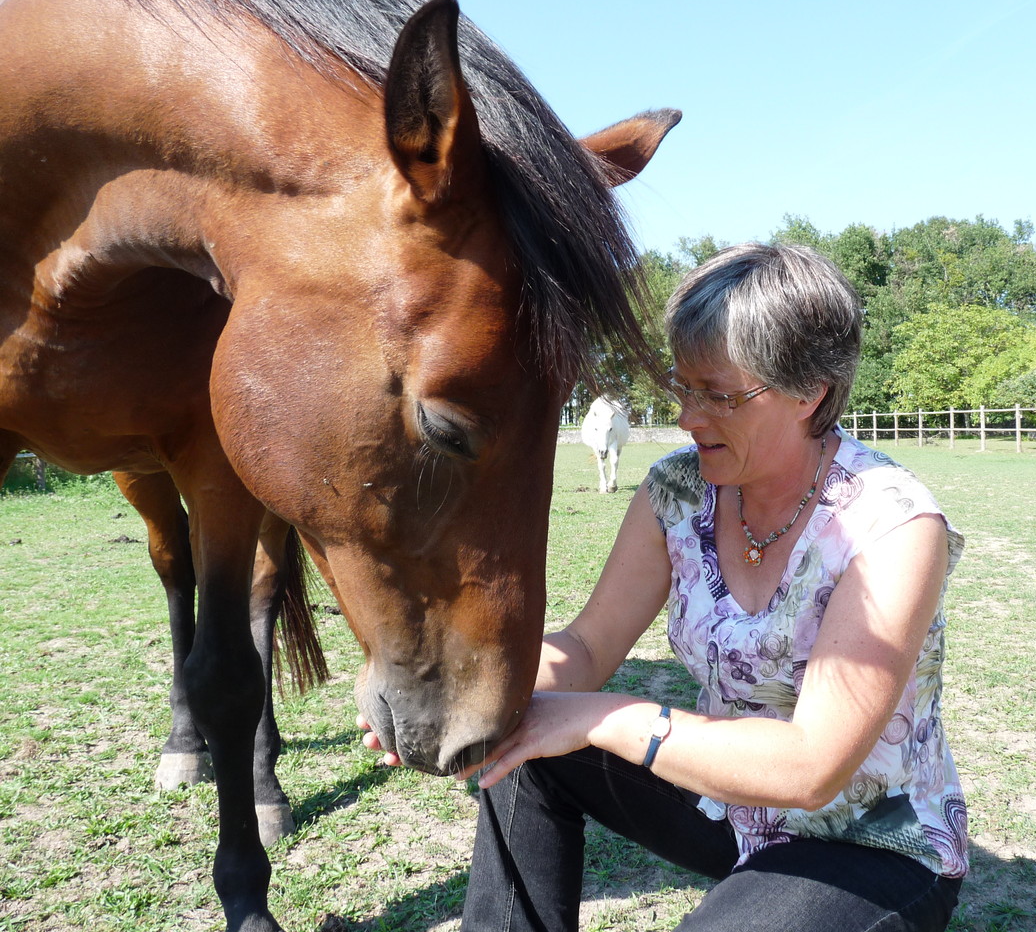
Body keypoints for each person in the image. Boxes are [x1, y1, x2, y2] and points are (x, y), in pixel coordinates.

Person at [360, 242, 968, 931]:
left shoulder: (890, 525)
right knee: (527, 735)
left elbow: (812, 768)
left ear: (810, 393)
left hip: (863, 842)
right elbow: (589, 645)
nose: (686, 417)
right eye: (681, 386)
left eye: (718, 395)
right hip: (723, 807)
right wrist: (465, 694)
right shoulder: (677, 491)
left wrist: (604, 718)